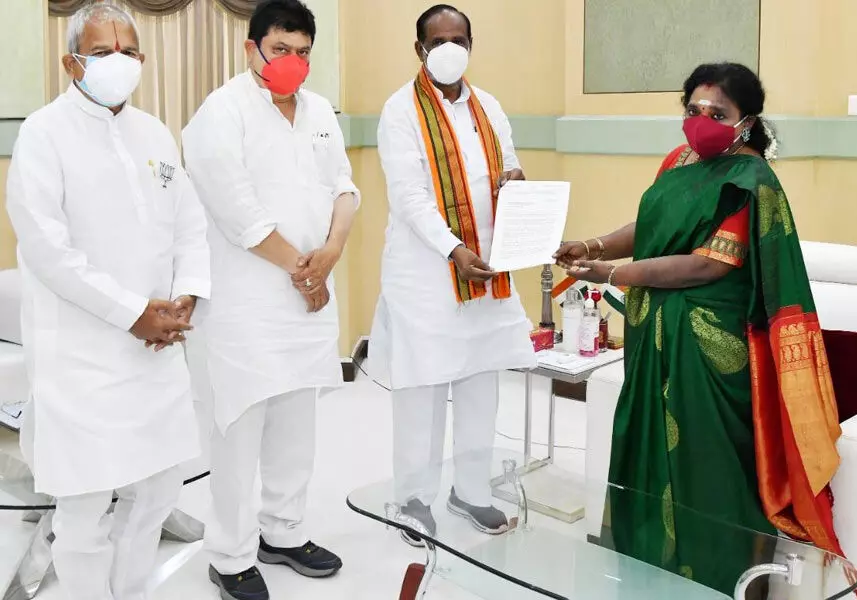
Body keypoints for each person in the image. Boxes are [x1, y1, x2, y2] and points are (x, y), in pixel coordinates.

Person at [554, 63, 855, 597]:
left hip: (711, 356)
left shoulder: (750, 179)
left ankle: (724, 585)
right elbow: (649, 229)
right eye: (693, 110)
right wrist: (595, 244)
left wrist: (611, 273)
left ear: (746, 122)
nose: (702, 121)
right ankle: (647, 581)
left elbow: (706, 265)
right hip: (653, 346)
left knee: (713, 475)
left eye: (718, 113)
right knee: (644, 460)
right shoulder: (679, 160)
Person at [5, 4, 210, 599]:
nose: (118, 61)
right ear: (72, 61)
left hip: (157, 350)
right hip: (83, 357)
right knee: (85, 506)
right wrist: (133, 313)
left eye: (128, 51)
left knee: (160, 490)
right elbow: (47, 249)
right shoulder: (43, 134)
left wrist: (188, 296)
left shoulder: (153, 132)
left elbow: (189, 225)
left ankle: (130, 590)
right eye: (102, 52)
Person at [181, 0, 358, 598]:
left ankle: (282, 532)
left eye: (302, 52)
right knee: (237, 430)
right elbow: (238, 213)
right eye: (280, 49)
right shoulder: (219, 114)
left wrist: (330, 252)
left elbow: (344, 186)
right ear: (251, 47)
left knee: (295, 423)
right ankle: (229, 556)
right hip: (244, 305)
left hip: (305, 300)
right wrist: (304, 272)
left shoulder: (317, 112)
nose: (292, 62)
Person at [368, 3, 536, 545]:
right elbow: (409, 197)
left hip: (486, 271)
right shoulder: (400, 111)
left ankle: (471, 491)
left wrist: (515, 181)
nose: (448, 48)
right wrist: (453, 249)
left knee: (480, 382)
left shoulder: (489, 106)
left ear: (470, 43)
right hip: (426, 275)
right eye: (436, 40)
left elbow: (510, 166)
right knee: (421, 387)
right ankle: (412, 499)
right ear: (419, 49)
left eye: (458, 39)